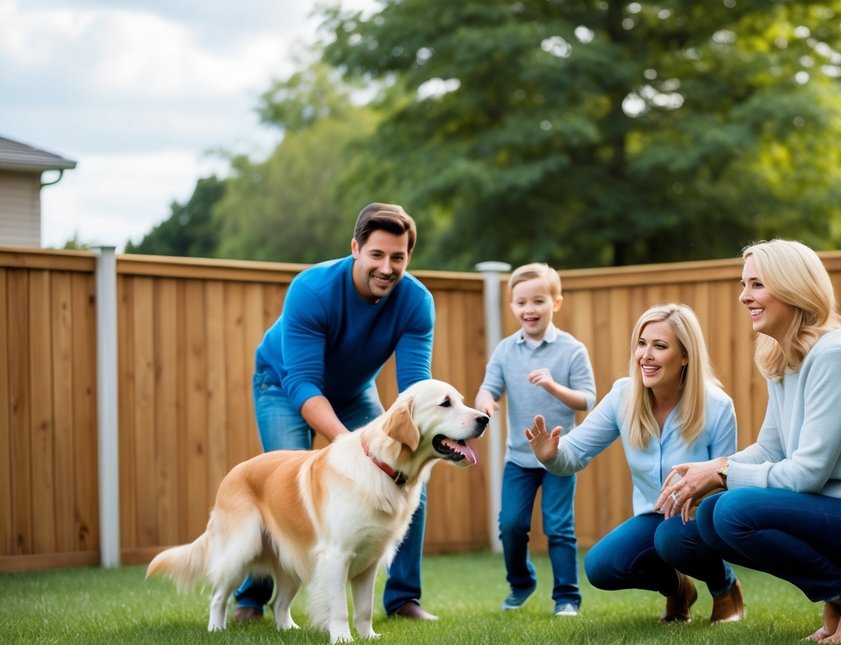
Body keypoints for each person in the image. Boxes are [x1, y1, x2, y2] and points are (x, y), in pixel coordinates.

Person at [654, 239, 841, 643]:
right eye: (743, 284)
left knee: (732, 509)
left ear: (791, 287)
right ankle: (840, 601)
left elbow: (807, 473)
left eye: (756, 285)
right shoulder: (783, 356)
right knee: (713, 515)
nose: (743, 296)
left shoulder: (834, 355)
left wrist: (722, 472)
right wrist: (710, 471)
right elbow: (772, 450)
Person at [231, 202, 441, 622]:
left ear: (408, 258)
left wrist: (418, 440)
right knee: (283, 487)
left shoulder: (416, 302)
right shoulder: (312, 289)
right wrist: (348, 444)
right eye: (376, 255)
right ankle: (250, 599)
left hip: (355, 391)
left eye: (397, 257)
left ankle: (402, 599)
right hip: (283, 385)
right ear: (355, 249)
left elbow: (414, 391)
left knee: (405, 475)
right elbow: (303, 382)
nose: (386, 267)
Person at [525, 303, 738, 623]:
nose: (646, 355)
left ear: (685, 356)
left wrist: (698, 504)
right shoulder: (623, 396)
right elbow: (575, 452)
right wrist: (551, 455)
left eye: (659, 346)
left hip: (700, 519)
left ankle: (725, 589)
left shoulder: (718, 406)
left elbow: (726, 481)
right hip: (654, 517)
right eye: (642, 343)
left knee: (673, 538)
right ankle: (679, 589)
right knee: (601, 566)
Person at [475, 263, 596, 617]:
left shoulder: (572, 350)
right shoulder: (505, 351)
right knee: (511, 525)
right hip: (519, 459)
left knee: (559, 527)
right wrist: (486, 402)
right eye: (521, 302)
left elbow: (588, 399)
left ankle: (567, 597)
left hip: (560, 457)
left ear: (555, 303)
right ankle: (522, 582)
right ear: (512, 306)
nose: (529, 310)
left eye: (539, 301)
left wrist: (552, 386)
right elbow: (489, 388)